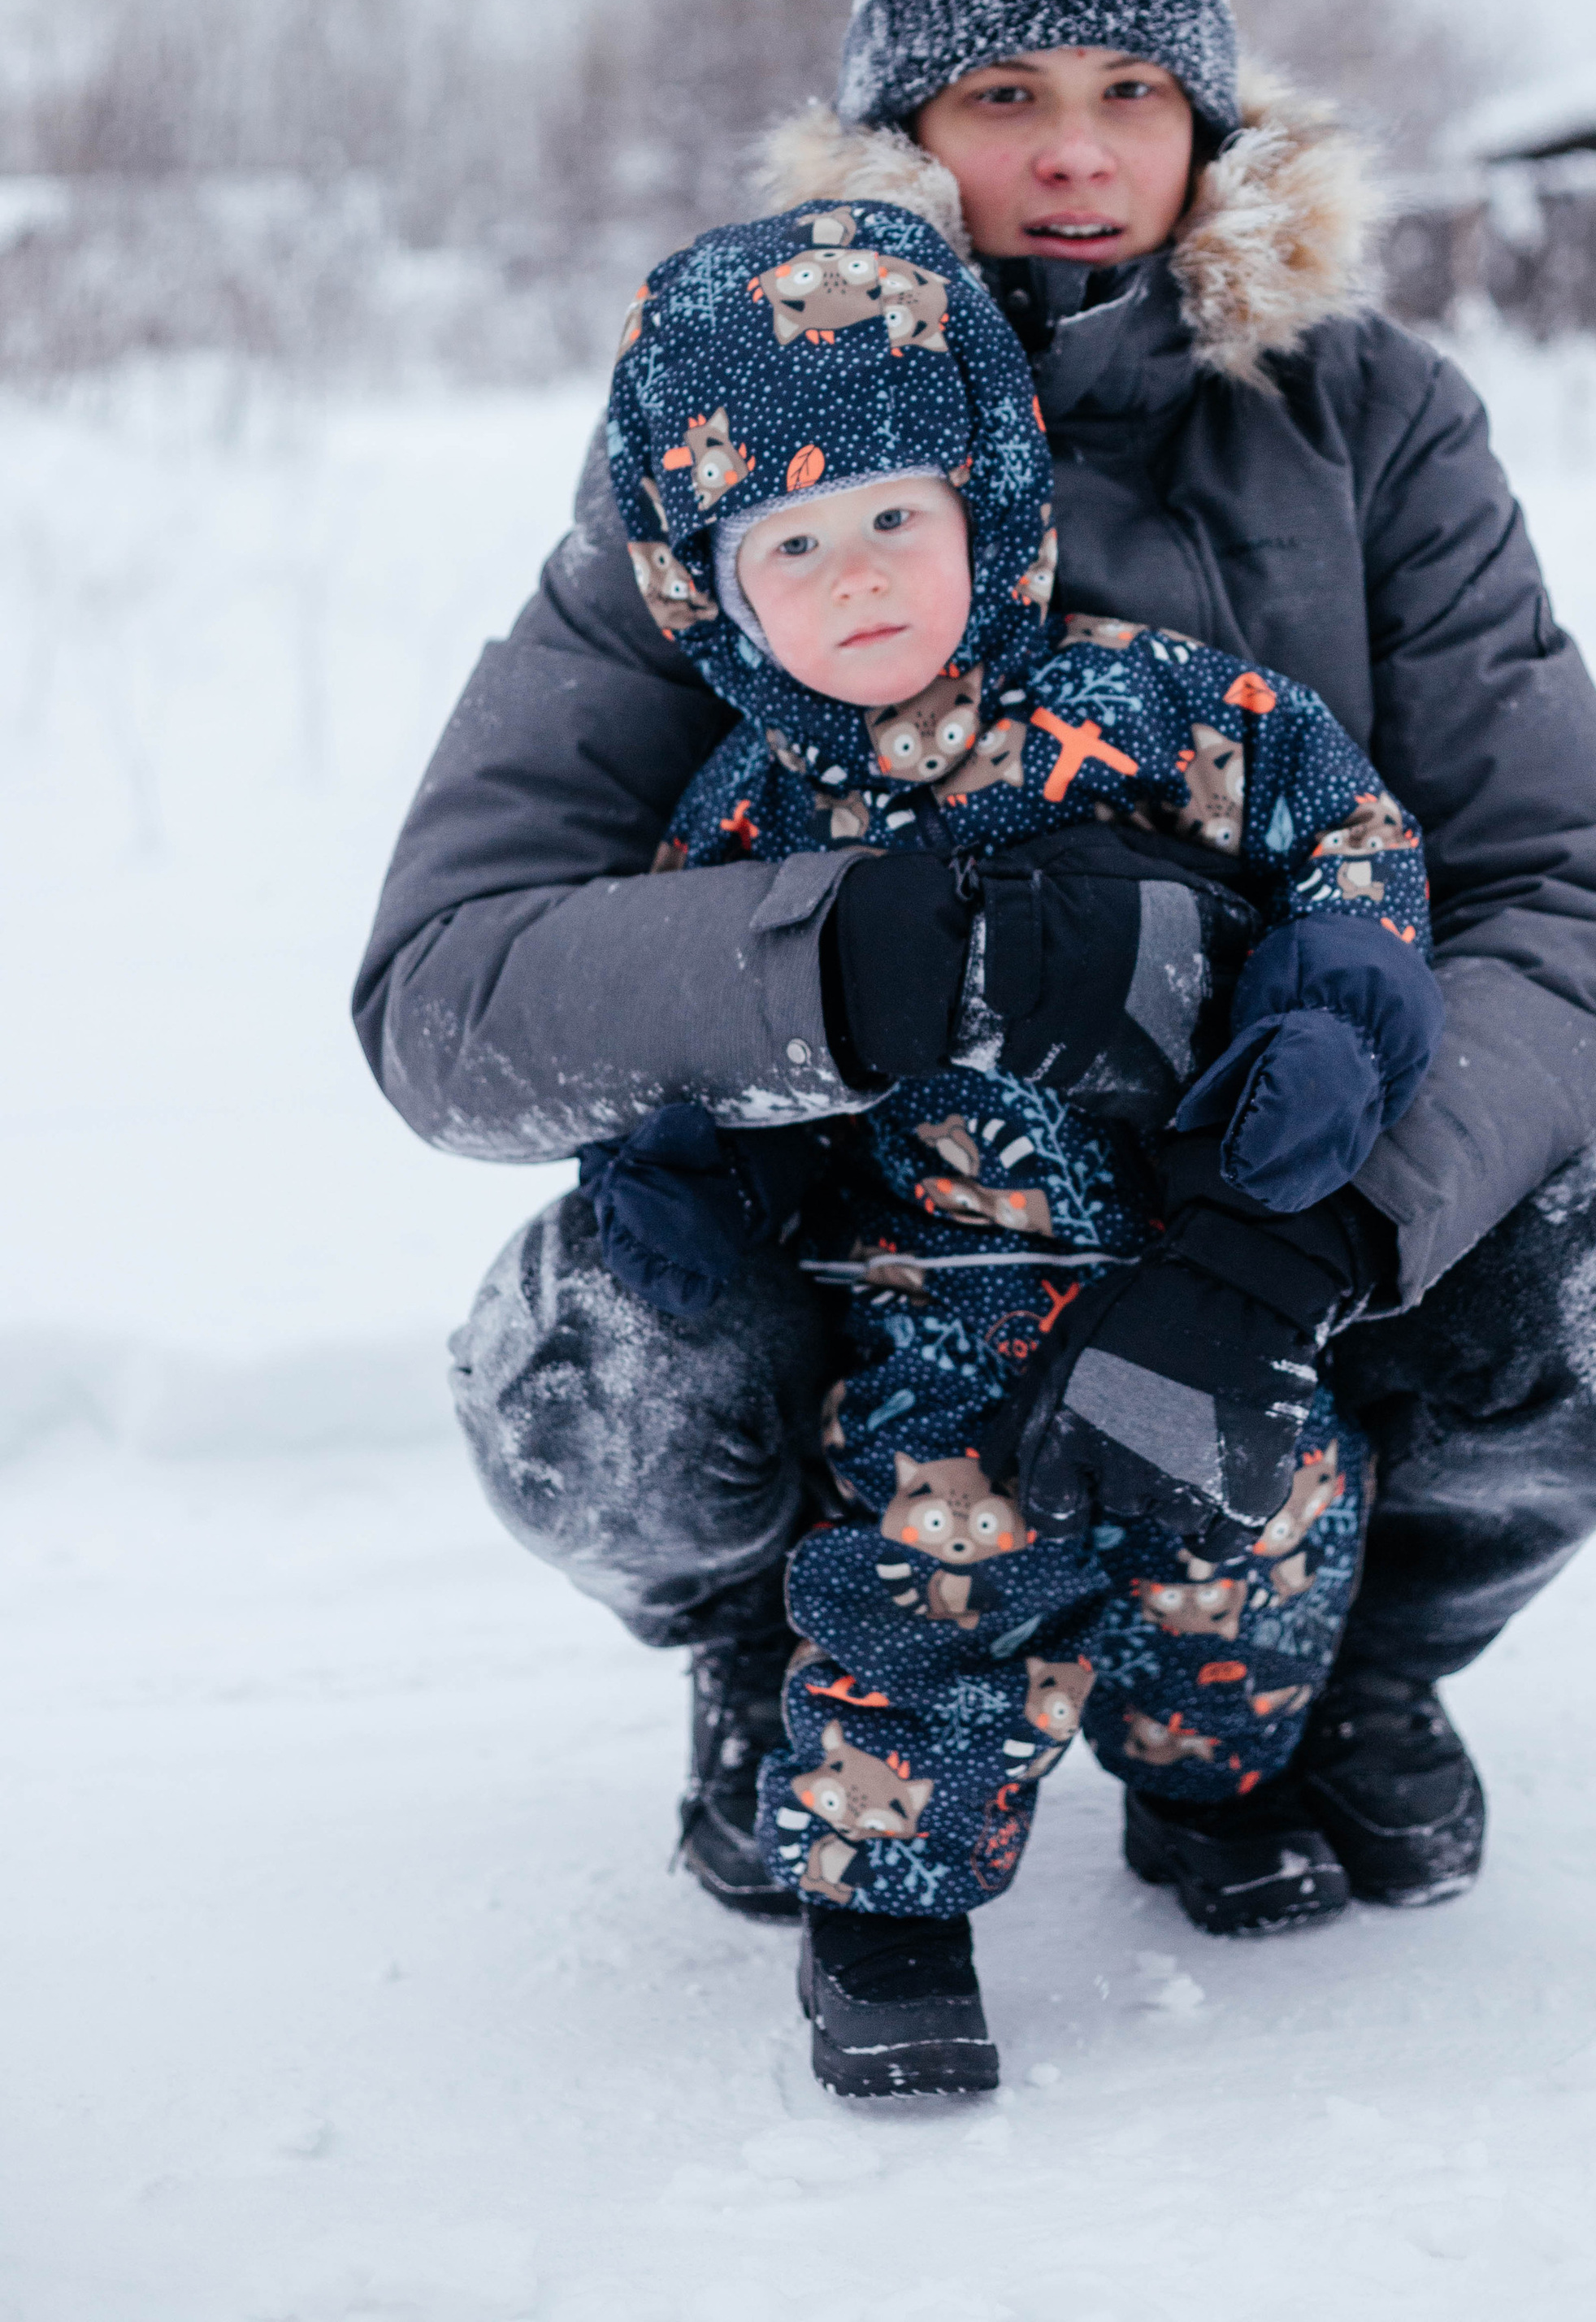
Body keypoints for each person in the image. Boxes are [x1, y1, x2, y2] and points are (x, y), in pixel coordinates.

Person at [353, 0, 1596, 2023]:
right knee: (587, 1365)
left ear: (1215, 118)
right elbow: (447, 990)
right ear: (898, 131)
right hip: (866, 1231)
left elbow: (1578, 896)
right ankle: (770, 1665)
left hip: (1274, 1212)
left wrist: (1310, 1223)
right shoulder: (738, 441)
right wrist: (863, 963)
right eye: (1003, 92)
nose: (1079, 151)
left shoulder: (1367, 420)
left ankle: (1341, 1672)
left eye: (1132, 88)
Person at [596, 188, 1446, 2089]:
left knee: (1255, 1534)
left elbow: (1350, 838)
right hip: (937, 1299)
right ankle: (887, 1916)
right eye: (791, 543)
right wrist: (691, 1166)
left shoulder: (1149, 704)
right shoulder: (748, 810)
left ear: (983, 503)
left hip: (1207, 1248)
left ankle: (1207, 1788)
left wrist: (1329, 1011)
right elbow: (689, 1017)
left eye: (894, 519)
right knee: (926, 1582)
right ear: (709, 590)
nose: (858, 579)